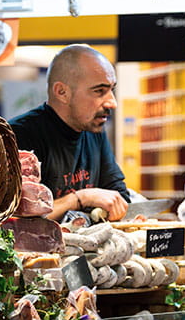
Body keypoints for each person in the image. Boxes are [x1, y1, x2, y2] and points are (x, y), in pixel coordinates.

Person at [10, 44, 129, 222]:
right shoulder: (18, 136)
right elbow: (13, 218)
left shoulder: (94, 130)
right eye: (99, 91)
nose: (112, 103)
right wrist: (80, 199)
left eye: (111, 90)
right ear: (62, 92)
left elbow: (118, 197)